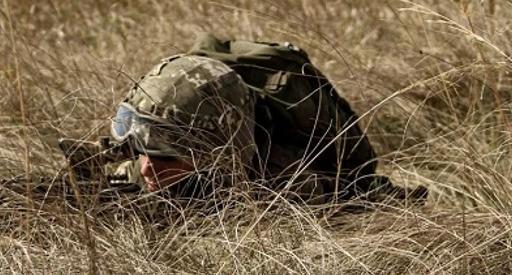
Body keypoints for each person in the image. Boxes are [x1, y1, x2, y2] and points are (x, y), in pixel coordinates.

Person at [84, 34, 400, 205]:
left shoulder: (284, 182)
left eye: (168, 152)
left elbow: (364, 193)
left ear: (221, 152)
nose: (147, 167)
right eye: (142, 147)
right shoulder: (154, 163)